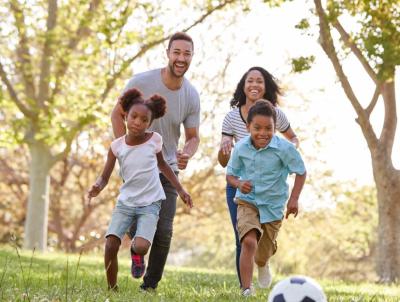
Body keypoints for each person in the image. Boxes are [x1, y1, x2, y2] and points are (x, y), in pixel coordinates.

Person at [111, 32, 200, 291]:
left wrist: (187, 152)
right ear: (168, 53)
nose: (181, 58)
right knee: (133, 221)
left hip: (167, 167)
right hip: (137, 168)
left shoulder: (191, 95)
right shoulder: (141, 82)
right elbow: (117, 116)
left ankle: (149, 286)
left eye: (187, 54)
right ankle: (138, 249)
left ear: (192, 57)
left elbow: (193, 137)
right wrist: (125, 151)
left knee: (164, 230)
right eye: (177, 52)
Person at [88, 88, 193, 290]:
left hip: (150, 203)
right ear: (125, 115)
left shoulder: (154, 140)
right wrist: (97, 187)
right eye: (134, 116)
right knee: (110, 244)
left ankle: (136, 254)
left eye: (144, 120)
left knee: (142, 246)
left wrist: (180, 189)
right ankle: (112, 288)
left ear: (150, 123)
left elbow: (163, 165)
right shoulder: (116, 146)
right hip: (126, 203)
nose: (138, 122)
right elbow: (105, 176)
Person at [218, 66, 299, 287]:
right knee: (244, 238)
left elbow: (293, 139)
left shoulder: (276, 114)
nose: (254, 85)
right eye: (250, 81)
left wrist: (285, 152)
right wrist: (224, 148)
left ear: (266, 87)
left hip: (270, 187)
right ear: (243, 86)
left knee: (263, 240)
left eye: (259, 81)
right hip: (240, 186)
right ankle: (245, 287)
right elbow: (225, 163)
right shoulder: (232, 118)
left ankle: (262, 263)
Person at [226, 100, 306, 297]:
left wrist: (294, 199)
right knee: (248, 242)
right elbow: (230, 175)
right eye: (257, 128)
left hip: (273, 204)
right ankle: (246, 288)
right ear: (248, 127)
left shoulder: (285, 149)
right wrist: (238, 184)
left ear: (275, 128)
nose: (263, 133)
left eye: (268, 128)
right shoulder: (241, 148)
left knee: (262, 253)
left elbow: (301, 172)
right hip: (247, 200)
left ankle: (263, 263)